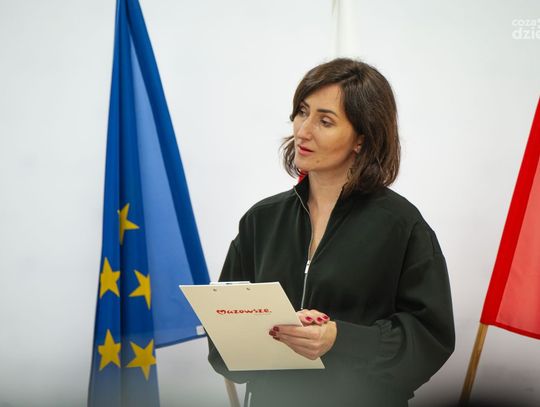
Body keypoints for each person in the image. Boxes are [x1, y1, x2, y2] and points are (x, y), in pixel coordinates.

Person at [208, 58, 455, 407]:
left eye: (325, 121)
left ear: (361, 139)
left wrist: (339, 339)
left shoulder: (402, 226)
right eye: (302, 112)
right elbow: (222, 345)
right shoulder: (261, 220)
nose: (303, 131)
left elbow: (430, 340)